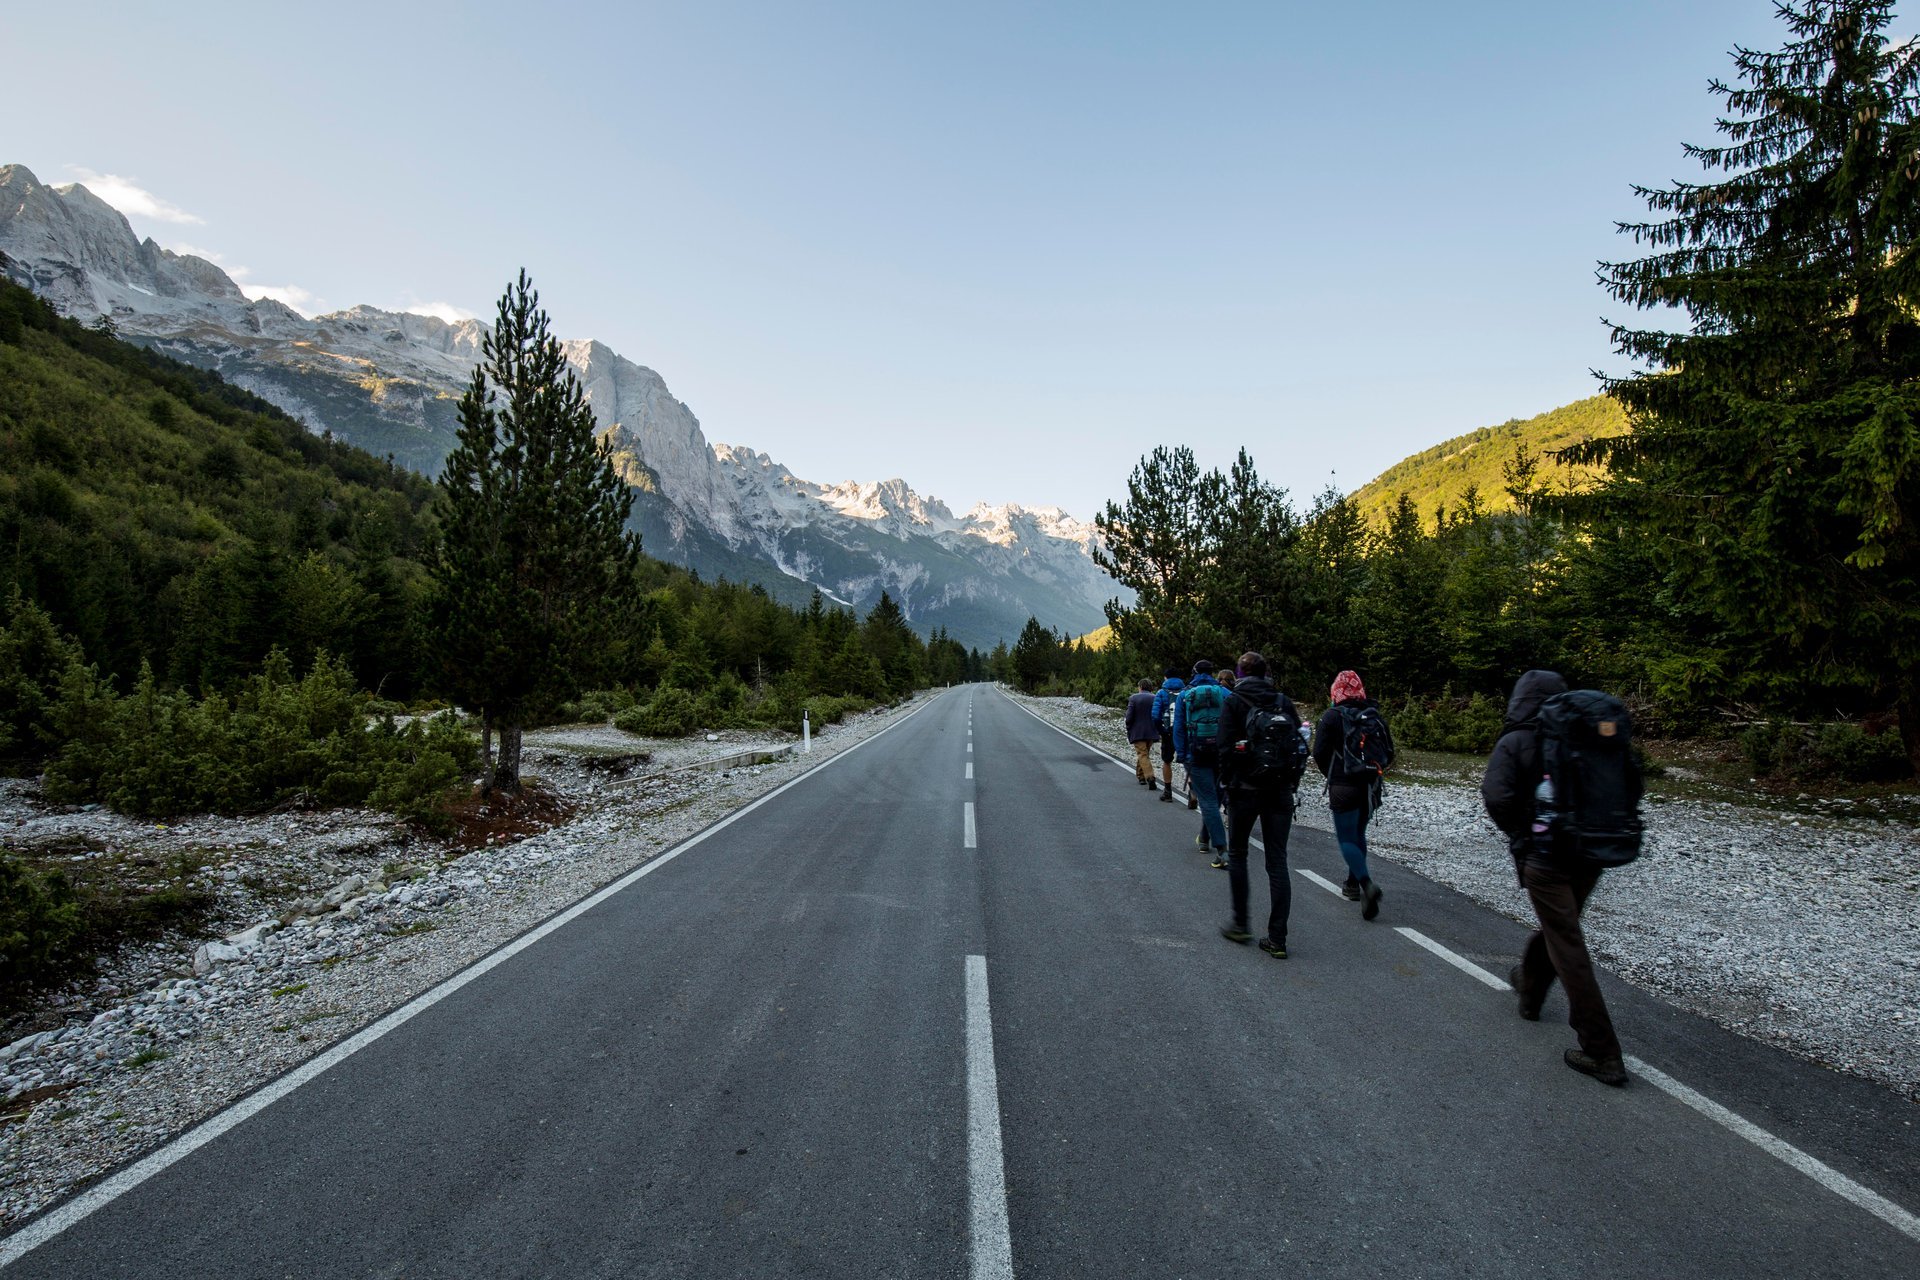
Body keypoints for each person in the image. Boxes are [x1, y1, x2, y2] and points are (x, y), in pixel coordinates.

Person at [1481, 669, 1628, 1087]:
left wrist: (1522, 834)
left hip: (1547, 860)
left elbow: (1497, 795)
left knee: (1567, 946)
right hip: (1590, 854)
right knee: (1560, 929)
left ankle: (1602, 1051)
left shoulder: (1515, 741)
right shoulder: (1583, 735)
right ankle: (1529, 990)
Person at [1215, 652, 1303, 958]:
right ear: (1266, 673)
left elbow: (1224, 748)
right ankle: (1277, 938)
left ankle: (1240, 923)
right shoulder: (1282, 701)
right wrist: (1293, 783)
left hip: (1244, 789)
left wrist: (1226, 785)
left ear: (1240, 673)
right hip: (1280, 791)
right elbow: (1299, 746)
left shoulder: (1234, 701)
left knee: (1238, 855)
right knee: (1277, 861)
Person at [1312, 669, 1391, 921]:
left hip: (1343, 784)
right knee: (1359, 834)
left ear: (1336, 690)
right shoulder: (1373, 715)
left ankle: (1366, 884)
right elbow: (1389, 753)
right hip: (1370, 786)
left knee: (1346, 837)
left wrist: (1333, 775)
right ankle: (1352, 882)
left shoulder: (1332, 716)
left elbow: (1319, 753)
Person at [1172, 659, 1229, 865]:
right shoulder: (1225, 694)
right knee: (1216, 798)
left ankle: (1222, 849)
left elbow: (1178, 727)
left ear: (1194, 672)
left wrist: (1182, 754)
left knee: (1207, 800)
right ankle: (1204, 838)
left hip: (1196, 753)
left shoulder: (1185, 695)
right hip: (1221, 754)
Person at [1149, 666, 1185, 803]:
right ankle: (1192, 792)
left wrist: (1161, 731)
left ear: (1166, 677)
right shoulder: (1186, 691)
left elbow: (1155, 716)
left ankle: (1168, 791)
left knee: (1167, 761)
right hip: (1184, 731)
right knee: (1187, 761)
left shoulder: (1162, 693)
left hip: (1168, 732)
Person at [1124, 678, 1160, 789]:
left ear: (1140, 687)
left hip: (1138, 731)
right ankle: (1140, 776)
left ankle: (1150, 777)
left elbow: (1129, 717)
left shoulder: (1134, 698)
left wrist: (1128, 726)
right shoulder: (1155, 698)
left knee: (1142, 754)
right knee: (1144, 753)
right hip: (1152, 731)